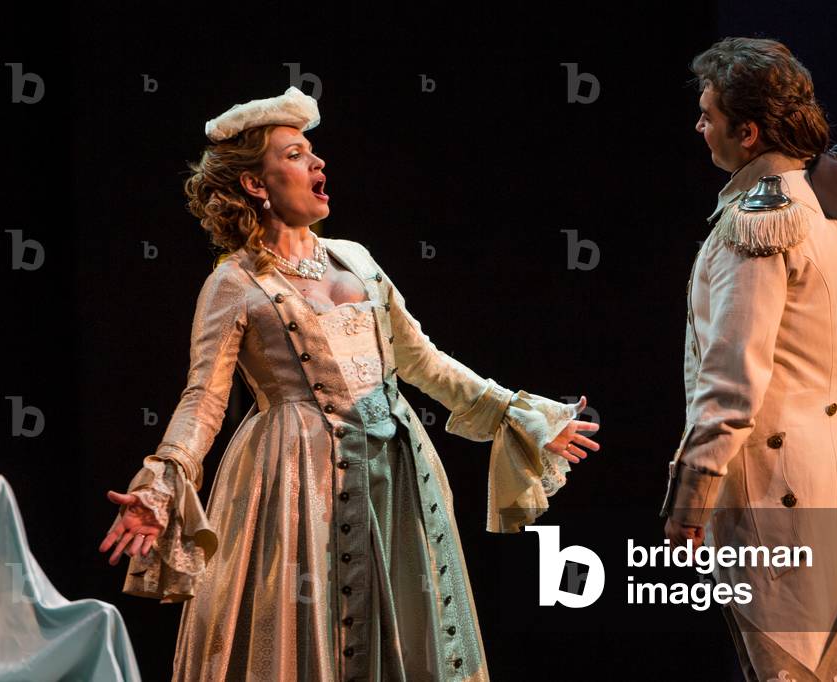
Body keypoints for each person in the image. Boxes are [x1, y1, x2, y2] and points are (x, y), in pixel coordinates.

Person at [97, 86, 599, 681]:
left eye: (314, 153)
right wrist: (163, 480)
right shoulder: (232, 283)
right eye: (295, 155)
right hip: (296, 475)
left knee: (406, 629)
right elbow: (203, 399)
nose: (318, 164)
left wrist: (518, 414)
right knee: (306, 630)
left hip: (395, 470)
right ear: (256, 185)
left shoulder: (356, 259)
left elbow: (423, 362)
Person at [660, 38, 837, 680]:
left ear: (749, 131)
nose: (699, 126)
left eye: (708, 115)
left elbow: (733, 381)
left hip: (776, 488)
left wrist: (690, 500)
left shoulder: (761, 219)